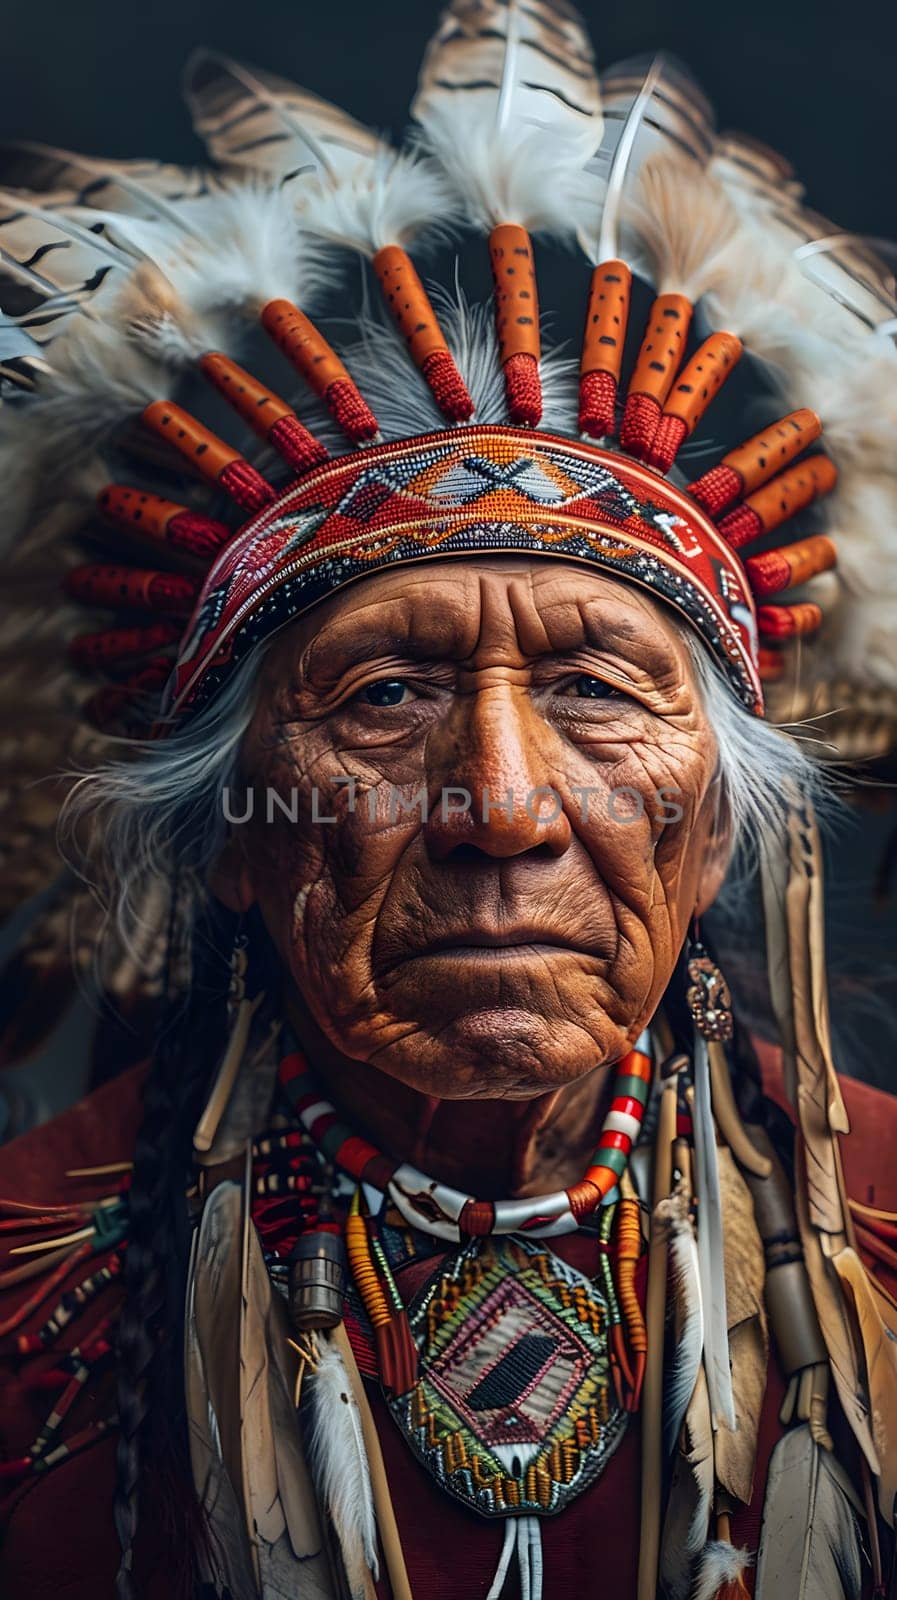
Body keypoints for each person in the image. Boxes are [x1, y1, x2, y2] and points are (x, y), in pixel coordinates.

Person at [1, 5, 896, 1597]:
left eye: (596, 692)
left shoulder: (882, 1241)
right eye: (384, 697)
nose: (499, 805)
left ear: (717, 826)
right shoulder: (25, 1301)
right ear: (228, 836)